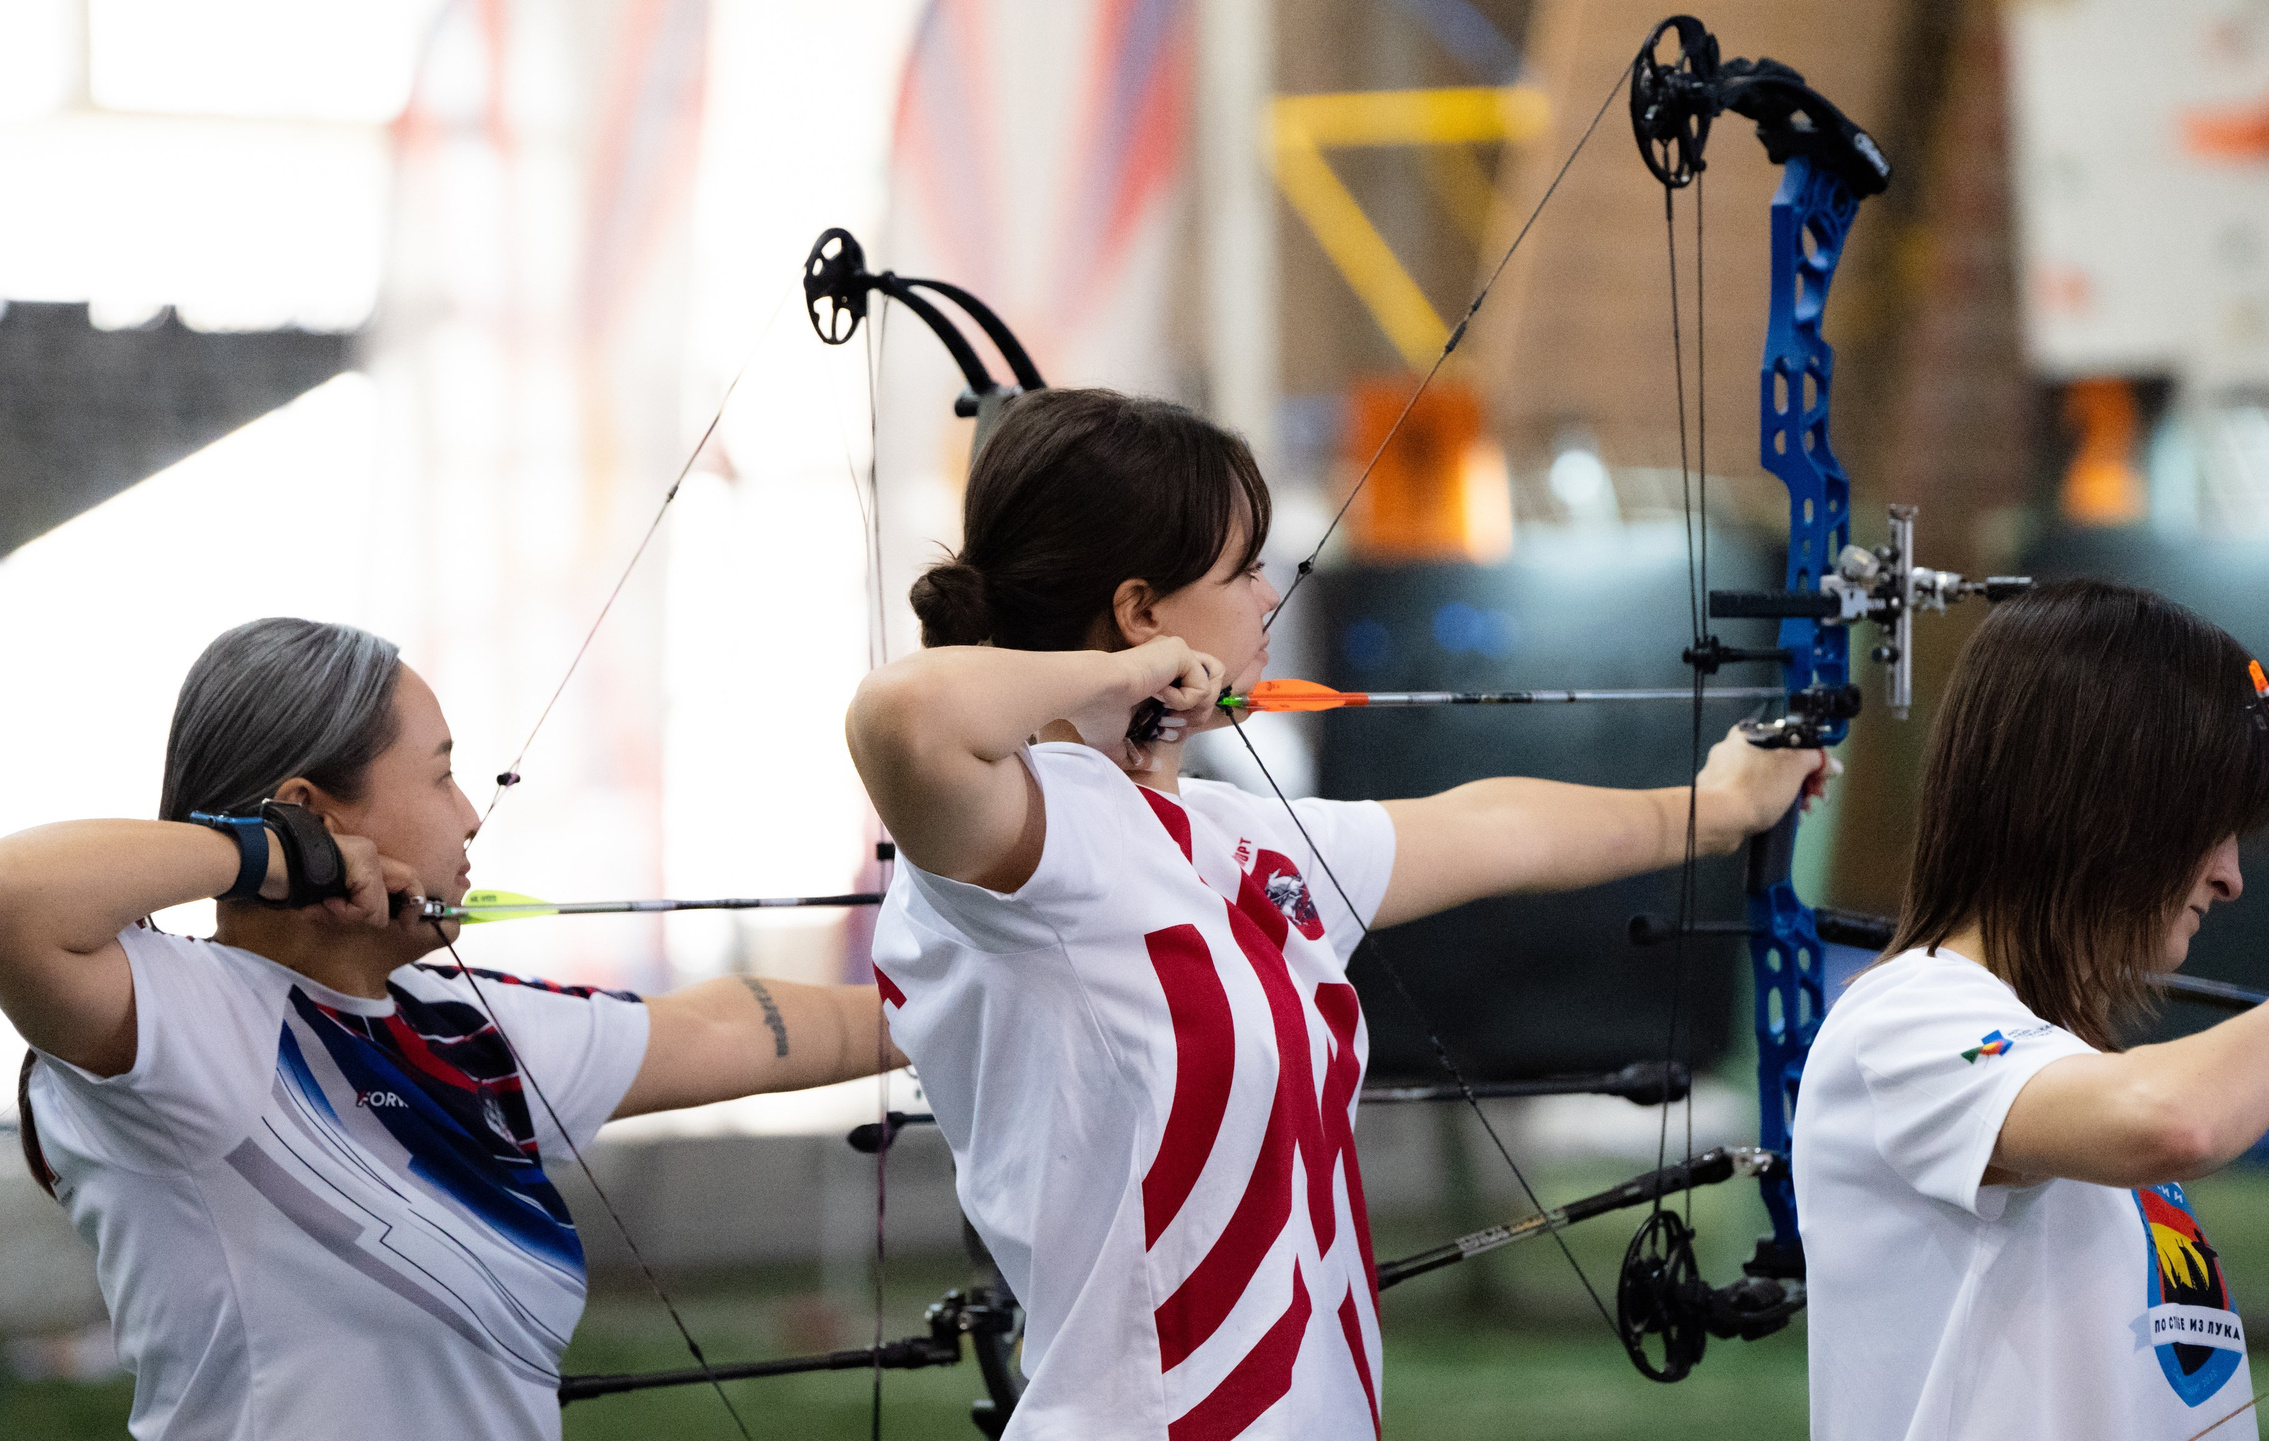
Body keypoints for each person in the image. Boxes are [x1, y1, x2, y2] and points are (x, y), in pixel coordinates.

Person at [846, 386, 1828, 1439]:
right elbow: (900, 718)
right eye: (1243, 570)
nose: (1269, 595)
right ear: (1141, 613)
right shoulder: (1031, 844)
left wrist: (1720, 807)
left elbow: (1500, 828)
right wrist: (1129, 678)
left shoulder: (1240, 839)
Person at [0, 618, 903, 1441]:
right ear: (313, 812)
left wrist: (961, 993)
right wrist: (267, 854)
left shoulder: (462, 1026)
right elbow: (14, 899)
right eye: (440, 773)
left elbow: (725, 1027)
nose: (473, 814)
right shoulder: (192, 1023)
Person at [1794, 579, 2269, 1441]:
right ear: (2107, 802)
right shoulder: (1906, 1016)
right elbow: (2171, 1120)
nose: (2230, 876)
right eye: (2208, 825)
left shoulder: (2055, 1060)